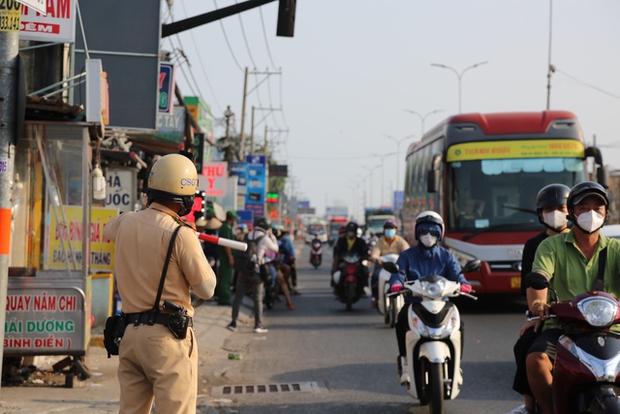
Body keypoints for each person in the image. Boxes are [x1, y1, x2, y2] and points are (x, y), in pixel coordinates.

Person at [103, 152, 216, 414]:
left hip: (129, 336)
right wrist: (192, 242)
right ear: (186, 199)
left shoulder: (124, 222)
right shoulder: (181, 234)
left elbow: (109, 228)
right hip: (168, 340)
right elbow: (207, 289)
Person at [525, 181, 620, 414]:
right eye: (583, 207)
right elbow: (540, 275)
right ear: (571, 212)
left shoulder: (616, 249)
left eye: (597, 209)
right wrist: (539, 304)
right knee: (536, 361)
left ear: (606, 213)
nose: (591, 213)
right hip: (563, 328)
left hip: (612, 329)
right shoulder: (550, 246)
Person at [506, 183, 570, 414]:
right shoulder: (535, 245)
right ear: (540, 213)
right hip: (550, 315)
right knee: (526, 344)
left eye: (561, 207)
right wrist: (537, 312)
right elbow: (532, 284)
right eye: (549, 208)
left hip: (587, 313)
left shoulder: (583, 241)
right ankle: (531, 405)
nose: (555, 213)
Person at [389, 211, 471, 386]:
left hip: (442, 304)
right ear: (418, 232)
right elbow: (398, 273)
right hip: (415, 304)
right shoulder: (407, 255)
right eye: (424, 232)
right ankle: (405, 362)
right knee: (401, 321)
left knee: (459, 326)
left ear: (440, 234)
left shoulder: (447, 256)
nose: (428, 236)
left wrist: (464, 284)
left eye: (433, 232)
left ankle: (457, 366)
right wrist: (396, 283)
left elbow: (457, 274)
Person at [227, 216, 279, 333]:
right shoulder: (265, 239)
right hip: (256, 271)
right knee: (258, 299)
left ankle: (233, 323)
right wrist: (272, 236)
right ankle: (258, 325)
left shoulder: (247, 235)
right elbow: (275, 249)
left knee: (238, 297)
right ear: (267, 227)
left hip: (243, 270)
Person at [369, 219, 410, 308]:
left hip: (397, 266)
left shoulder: (400, 241)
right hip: (383, 266)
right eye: (387, 228)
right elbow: (375, 252)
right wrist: (374, 257)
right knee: (375, 277)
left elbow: (407, 252)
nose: (389, 230)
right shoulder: (380, 241)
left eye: (391, 228)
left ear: (396, 229)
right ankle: (375, 298)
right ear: (384, 229)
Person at [332, 221, 370, 299]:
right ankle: (336, 290)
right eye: (350, 231)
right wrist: (337, 257)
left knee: (365, 271)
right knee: (335, 271)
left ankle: (362, 289)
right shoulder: (341, 240)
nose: (351, 233)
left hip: (357, 262)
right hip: (344, 262)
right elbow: (337, 251)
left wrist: (366, 256)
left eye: (352, 231)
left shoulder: (361, 241)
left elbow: (365, 251)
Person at [216, 211, 237, 306]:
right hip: (225, 257)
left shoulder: (226, 227)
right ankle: (224, 298)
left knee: (226, 277)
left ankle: (224, 297)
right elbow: (226, 245)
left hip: (225, 256)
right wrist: (230, 258)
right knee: (226, 278)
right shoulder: (226, 228)